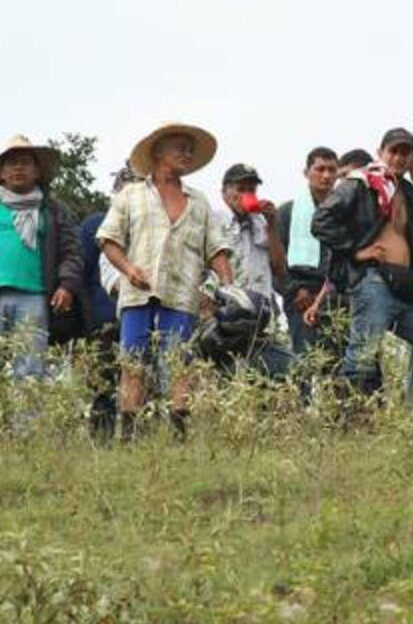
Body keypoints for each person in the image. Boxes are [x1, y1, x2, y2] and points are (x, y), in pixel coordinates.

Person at [97, 122, 234, 436]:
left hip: (182, 295)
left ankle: (178, 435)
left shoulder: (199, 202)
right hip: (137, 294)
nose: (187, 153)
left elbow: (217, 249)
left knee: (180, 364)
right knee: (133, 363)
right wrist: (128, 269)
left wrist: (229, 288)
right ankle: (129, 435)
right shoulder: (130, 195)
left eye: (190, 149)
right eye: (180, 148)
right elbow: (108, 240)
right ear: (158, 152)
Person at [311, 127, 413, 397]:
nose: (399, 158)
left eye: (406, 153)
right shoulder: (361, 183)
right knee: (361, 361)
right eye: (394, 151)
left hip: (404, 288)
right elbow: (321, 222)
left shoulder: (409, 191)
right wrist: (356, 251)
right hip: (373, 282)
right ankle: (347, 418)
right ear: (380, 152)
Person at [0, 135, 83, 426]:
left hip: (34, 298)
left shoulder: (53, 210)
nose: (17, 168)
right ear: (1, 173)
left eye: (25, 162)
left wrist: (66, 285)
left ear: (37, 171)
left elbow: (72, 252)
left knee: (30, 368)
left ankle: (25, 433)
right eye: (10, 163)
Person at [78, 163, 140, 436]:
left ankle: (135, 440)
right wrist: (86, 319)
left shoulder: (151, 228)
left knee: (139, 381)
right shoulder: (95, 224)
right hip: (102, 321)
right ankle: (100, 444)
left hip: (140, 318)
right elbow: (80, 274)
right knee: (102, 387)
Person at [217, 163, 293, 377]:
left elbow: (279, 268)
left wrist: (272, 223)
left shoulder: (261, 222)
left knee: (278, 370)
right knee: (227, 372)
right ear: (225, 193)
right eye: (240, 189)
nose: (246, 195)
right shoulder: (215, 220)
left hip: (262, 312)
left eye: (251, 190)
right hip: (227, 312)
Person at [276, 147, 339, 354]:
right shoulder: (287, 212)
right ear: (306, 172)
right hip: (301, 298)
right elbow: (276, 261)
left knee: (339, 359)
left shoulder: (345, 211)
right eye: (320, 169)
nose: (326, 175)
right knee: (306, 360)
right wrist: (294, 290)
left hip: (336, 296)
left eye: (331, 170)